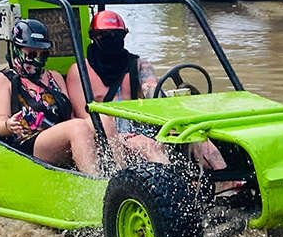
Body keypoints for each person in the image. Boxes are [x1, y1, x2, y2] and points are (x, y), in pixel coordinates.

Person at [65, 10, 228, 172]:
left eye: (117, 36)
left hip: (140, 128)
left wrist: (176, 120)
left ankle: (228, 181)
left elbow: (154, 94)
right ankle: (173, 189)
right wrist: (125, 138)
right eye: (106, 37)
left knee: (195, 135)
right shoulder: (80, 71)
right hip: (105, 136)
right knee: (149, 147)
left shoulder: (138, 65)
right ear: (94, 37)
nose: (112, 41)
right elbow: (84, 117)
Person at [0, 19, 98, 174]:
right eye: (32, 54)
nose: (37, 59)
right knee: (78, 127)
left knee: (103, 119)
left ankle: (120, 177)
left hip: (63, 134)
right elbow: (0, 125)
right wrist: (10, 124)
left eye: (43, 54)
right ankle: (94, 182)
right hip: (30, 143)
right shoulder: (4, 79)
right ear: (17, 49)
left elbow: (70, 116)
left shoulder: (54, 77)